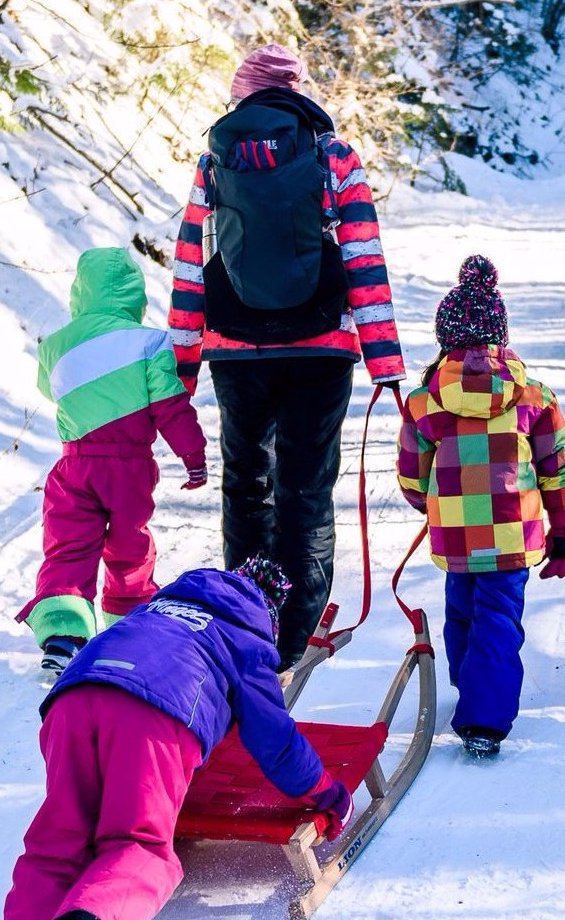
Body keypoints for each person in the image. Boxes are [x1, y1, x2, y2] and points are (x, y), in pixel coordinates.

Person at [0, 558, 354, 920]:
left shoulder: (155, 609)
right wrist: (326, 792)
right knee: (138, 842)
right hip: (152, 718)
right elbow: (274, 740)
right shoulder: (246, 636)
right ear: (267, 615)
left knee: (59, 840)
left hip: (73, 701)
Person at [167, 43, 405, 671]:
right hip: (321, 348)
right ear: (297, 91)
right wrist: (384, 362)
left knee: (246, 483)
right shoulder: (334, 156)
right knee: (305, 485)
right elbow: (363, 260)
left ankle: (245, 620)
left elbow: (191, 262)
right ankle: (294, 632)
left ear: (240, 95)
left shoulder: (214, 161)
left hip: (235, 350)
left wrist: (184, 364)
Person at [396, 256, 565, 758]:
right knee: (498, 619)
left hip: (456, 537)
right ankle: (484, 716)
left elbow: (412, 473)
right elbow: (556, 471)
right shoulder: (534, 398)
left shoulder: (424, 403)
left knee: (461, 612)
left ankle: (473, 688)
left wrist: (431, 504)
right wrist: (564, 531)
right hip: (512, 536)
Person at [17, 247, 208, 674]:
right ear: (134, 296)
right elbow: (170, 406)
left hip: (74, 466)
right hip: (129, 467)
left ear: (80, 295)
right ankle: (130, 629)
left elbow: (49, 390)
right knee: (129, 547)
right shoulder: (150, 342)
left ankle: (63, 636)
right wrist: (192, 455)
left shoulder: (54, 347)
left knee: (68, 548)